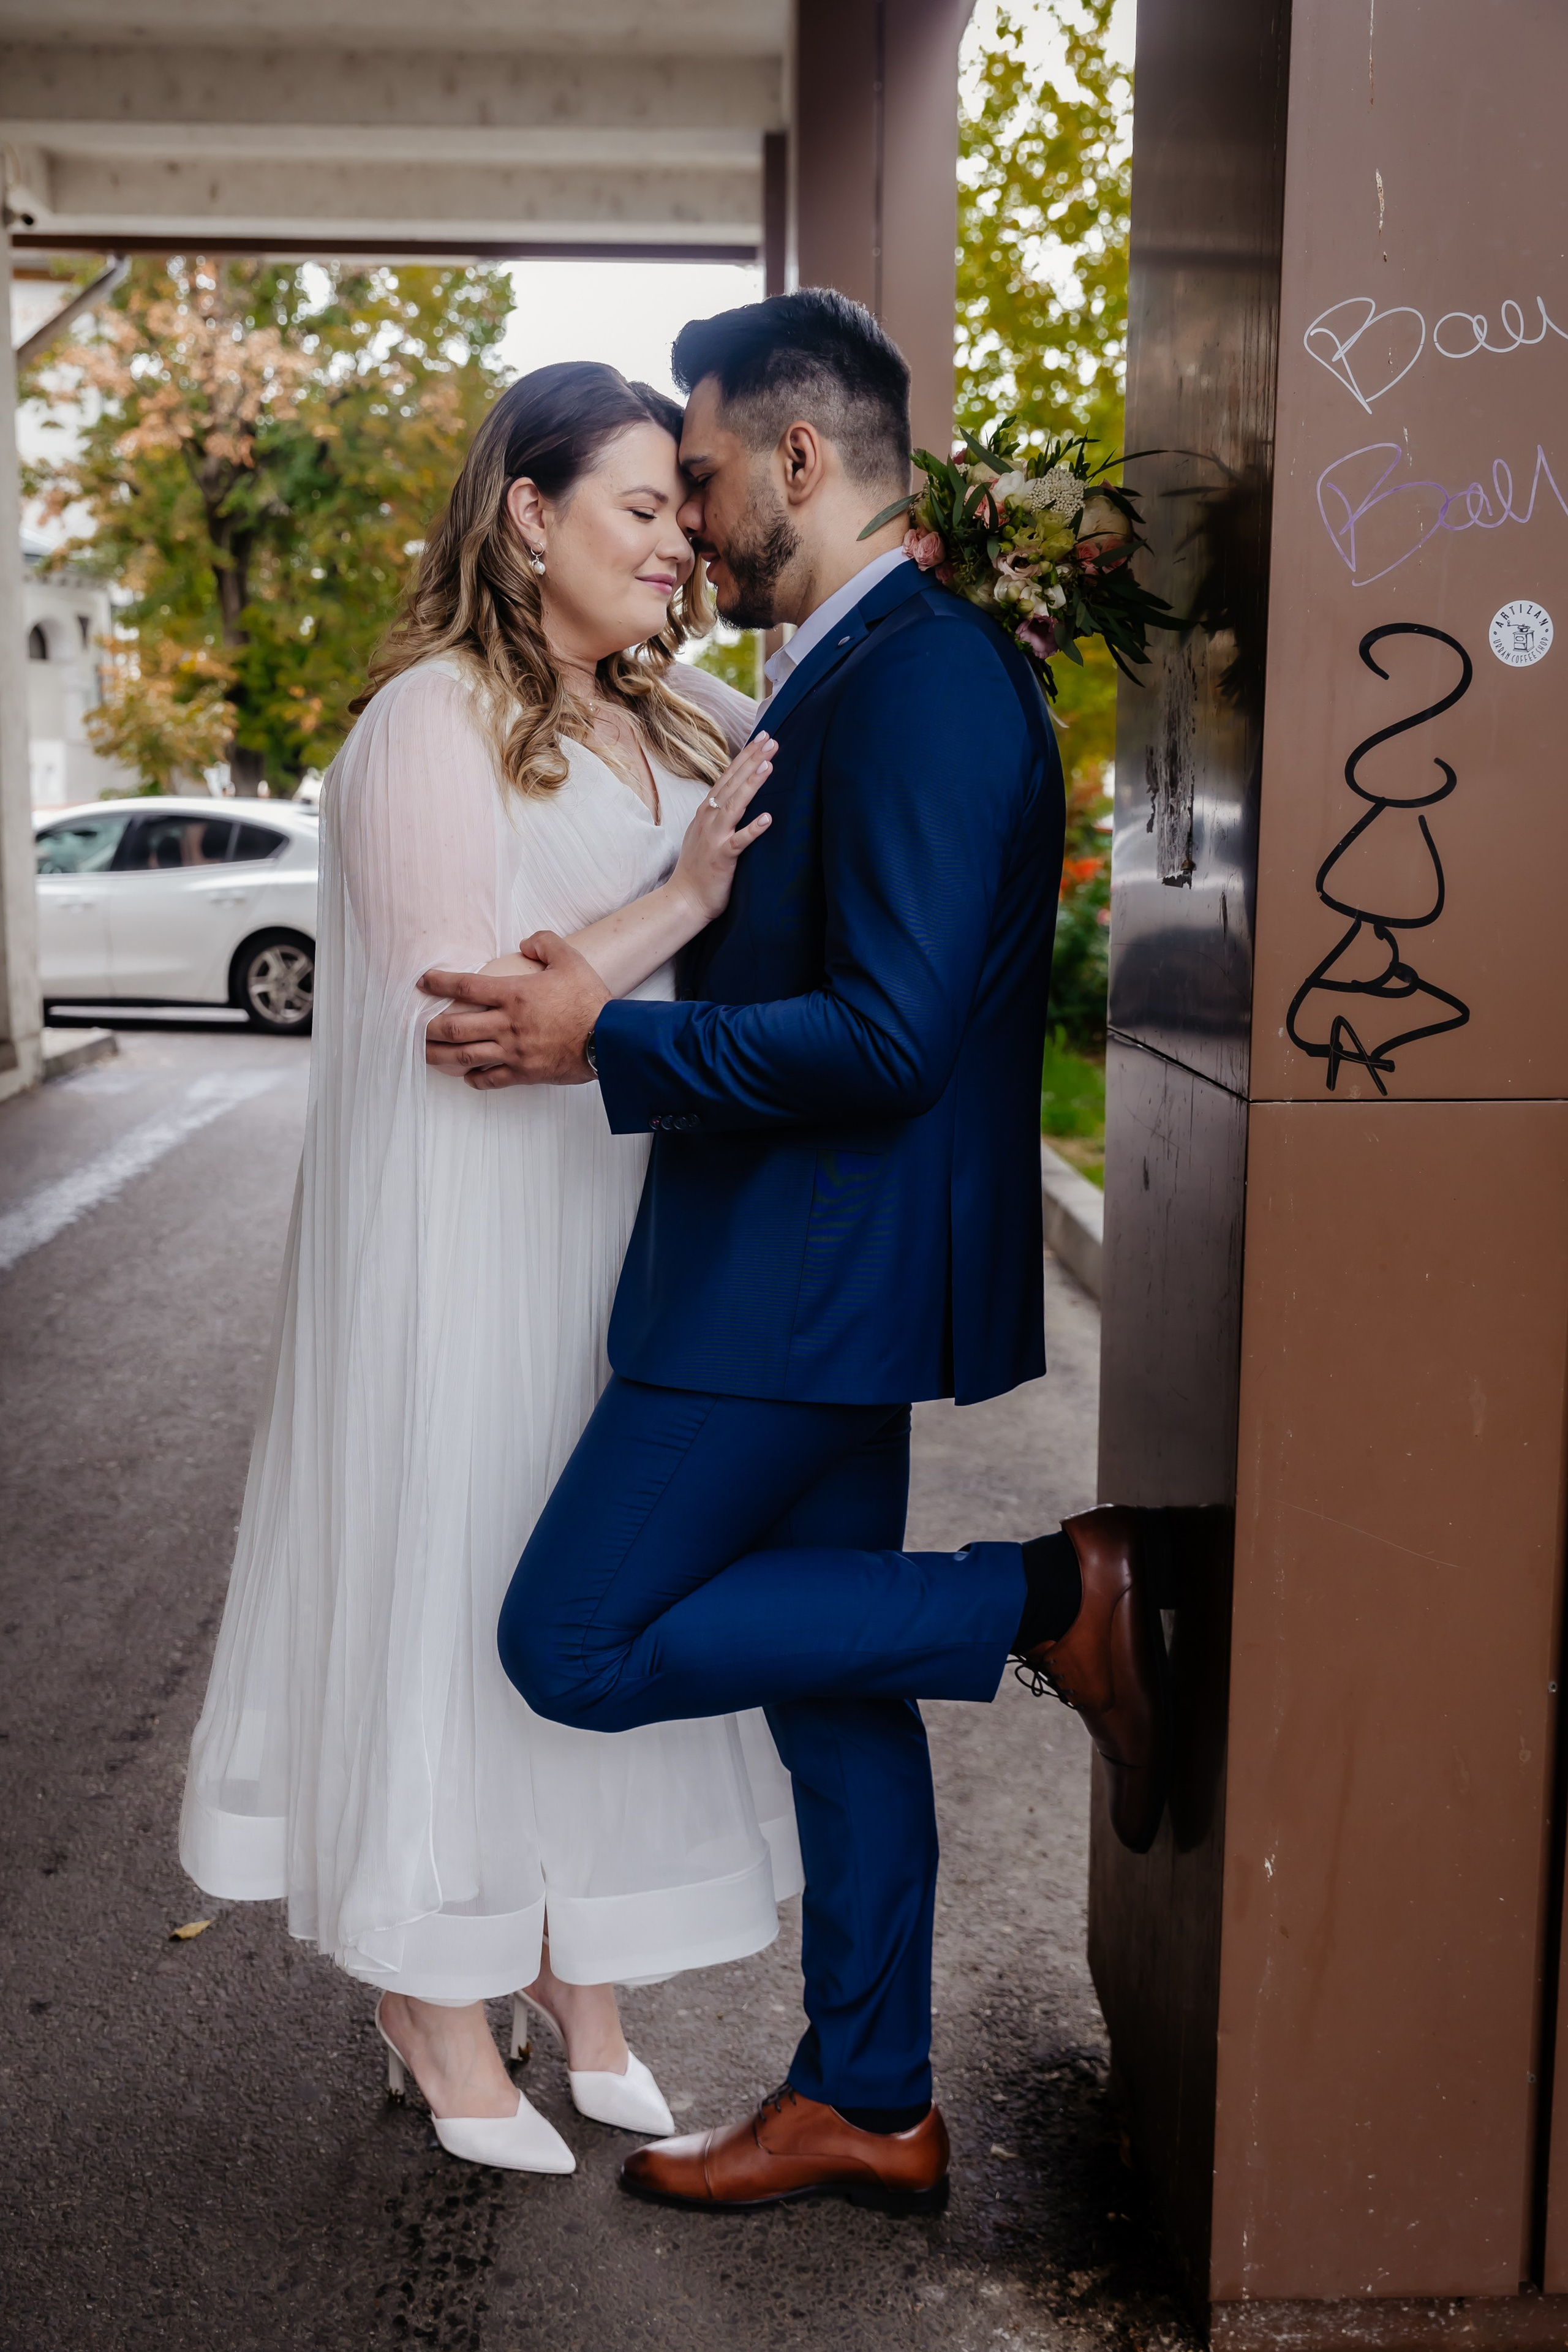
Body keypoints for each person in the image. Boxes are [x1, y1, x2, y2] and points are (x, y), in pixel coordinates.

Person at [420, 290, 1171, 2216]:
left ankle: (1037, 1604)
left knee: (570, 1640)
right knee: (835, 1694)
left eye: (707, 467)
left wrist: (616, 1040)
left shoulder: (915, 677)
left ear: (802, 463)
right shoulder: (854, 663)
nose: (690, 507)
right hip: (810, 1271)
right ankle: (873, 2096)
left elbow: (897, 1031)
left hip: (787, 1282)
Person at [179, 361, 802, 2176]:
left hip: (631, 1222)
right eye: (639, 509)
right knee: (466, 1574)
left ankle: (572, 1959)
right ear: (527, 515)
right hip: (468, 1237)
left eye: (686, 517)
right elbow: (464, 1014)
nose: (680, 547)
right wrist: (677, 906)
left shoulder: (682, 715)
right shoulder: (424, 727)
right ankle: (426, 1982)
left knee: (600, 1583)